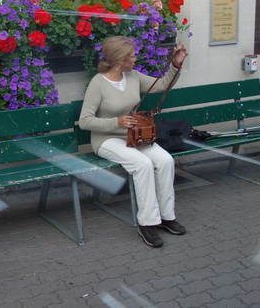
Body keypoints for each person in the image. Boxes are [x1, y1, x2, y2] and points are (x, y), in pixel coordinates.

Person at [79, 35, 188, 248]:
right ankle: (147, 223)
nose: (135, 59)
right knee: (142, 164)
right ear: (120, 60)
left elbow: (163, 85)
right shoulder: (98, 83)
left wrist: (176, 63)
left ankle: (167, 217)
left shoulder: (133, 76)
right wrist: (116, 122)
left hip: (133, 136)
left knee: (165, 160)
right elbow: (85, 121)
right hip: (107, 139)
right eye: (131, 56)